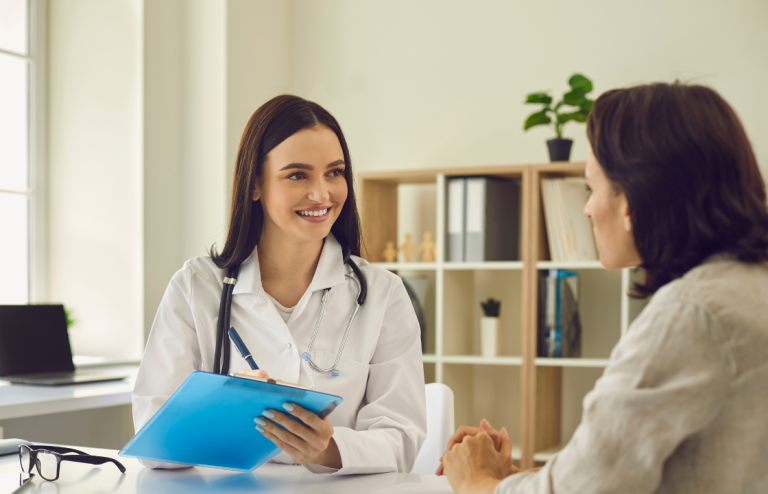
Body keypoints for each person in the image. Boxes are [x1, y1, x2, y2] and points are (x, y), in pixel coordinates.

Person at [439, 82, 768, 493]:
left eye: (591, 188)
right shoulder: (748, 287)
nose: (587, 208)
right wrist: (510, 479)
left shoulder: (689, 316)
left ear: (629, 200)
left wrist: (478, 483)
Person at [133, 95, 426, 474]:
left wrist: (326, 448)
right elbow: (153, 448)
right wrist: (225, 407)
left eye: (334, 173)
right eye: (297, 175)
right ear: (254, 185)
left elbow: (402, 439)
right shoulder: (196, 287)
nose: (321, 194)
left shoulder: (383, 294)